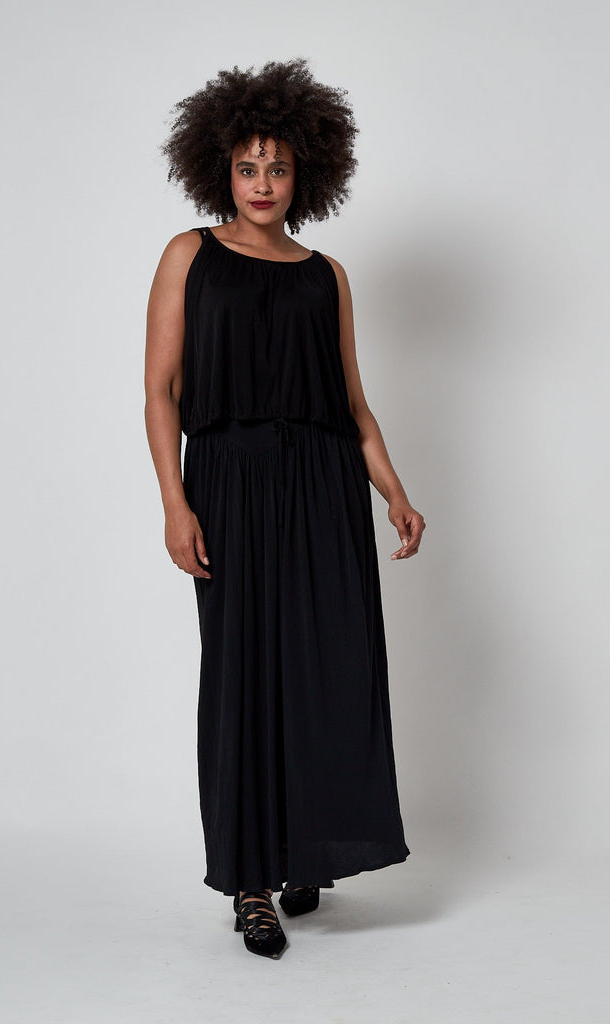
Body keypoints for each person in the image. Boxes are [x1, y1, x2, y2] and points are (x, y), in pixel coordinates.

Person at [144, 58, 425, 960]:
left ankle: (308, 852)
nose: (263, 183)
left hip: (323, 486)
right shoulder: (189, 256)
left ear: (307, 172)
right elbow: (160, 392)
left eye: (279, 167)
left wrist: (394, 491)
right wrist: (175, 503)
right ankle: (250, 883)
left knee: (327, 668)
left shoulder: (326, 274)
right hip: (228, 482)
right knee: (243, 676)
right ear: (220, 171)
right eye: (247, 167)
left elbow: (353, 404)